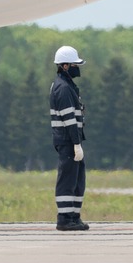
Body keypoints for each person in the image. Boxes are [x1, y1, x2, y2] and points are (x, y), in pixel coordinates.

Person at [49, 45, 88, 231]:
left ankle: (73, 216)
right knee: (67, 180)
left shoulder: (67, 86)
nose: (77, 68)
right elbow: (69, 119)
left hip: (71, 141)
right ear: (64, 66)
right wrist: (76, 144)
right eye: (74, 65)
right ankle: (64, 219)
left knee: (77, 180)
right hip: (68, 142)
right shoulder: (63, 88)